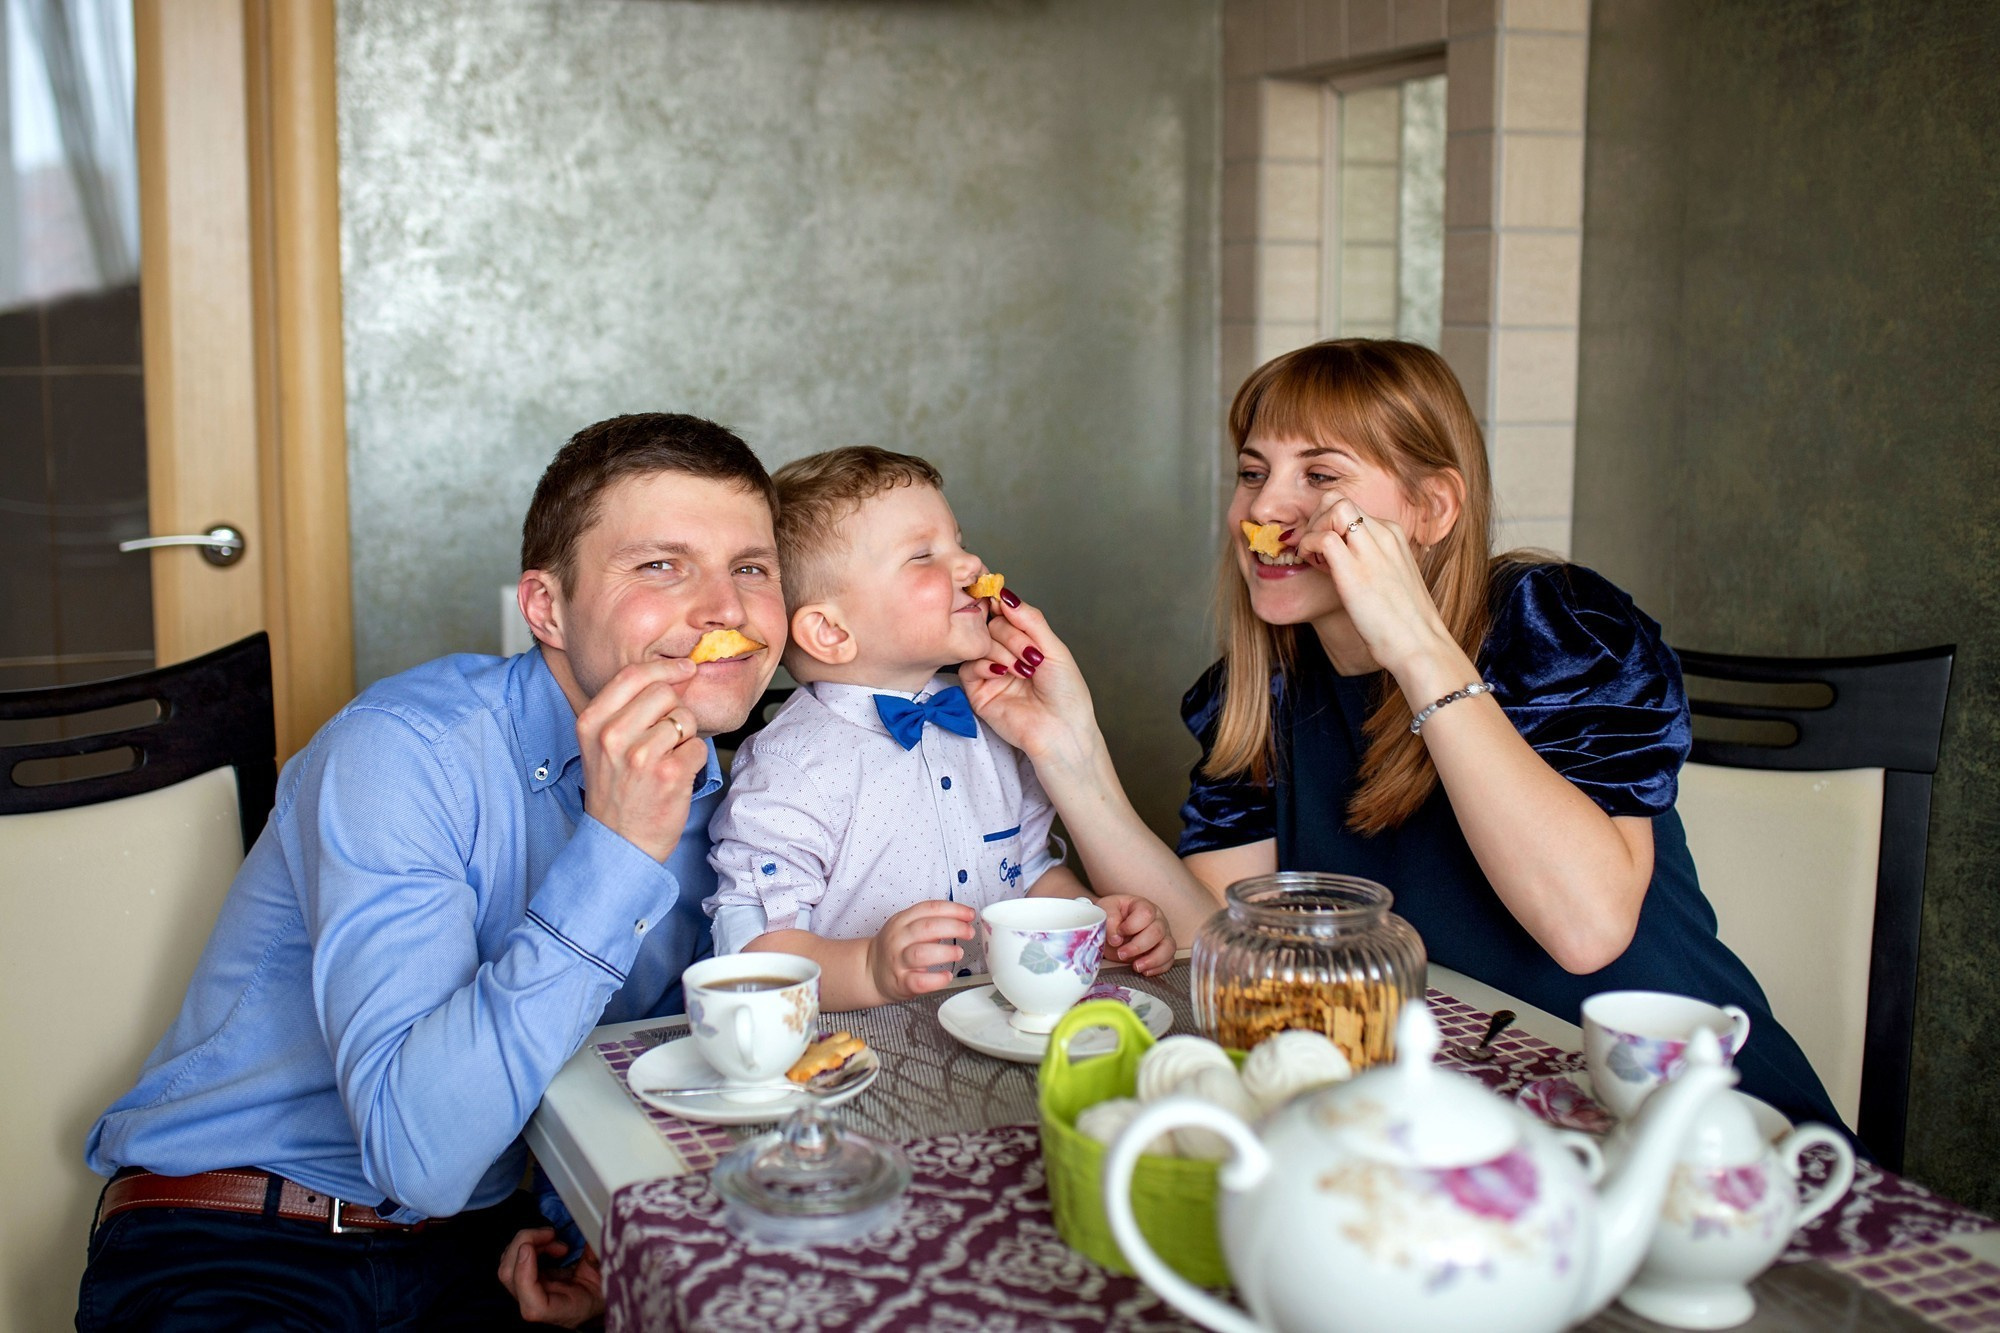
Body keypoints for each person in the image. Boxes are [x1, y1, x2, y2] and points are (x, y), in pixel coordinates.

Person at [958, 339, 1845, 1135]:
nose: (1266, 511)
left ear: (1431, 507)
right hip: (1464, 1124)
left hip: (1697, 1123)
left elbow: (1587, 929)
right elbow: (1210, 940)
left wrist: (1416, 647)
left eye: (1321, 475)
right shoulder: (1264, 691)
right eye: (1253, 473)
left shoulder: (1553, 630)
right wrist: (1068, 749)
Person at [77, 413, 787, 1330]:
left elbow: (629, 1066)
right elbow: (418, 1154)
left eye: (752, 568)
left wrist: (582, 1234)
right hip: (237, 1236)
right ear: (546, 608)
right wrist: (615, 849)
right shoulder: (403, 752)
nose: (726, 609)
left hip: (480, 1254)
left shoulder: (735, 796)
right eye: (661, 565)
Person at [705, 447, 1194, 1010]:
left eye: (960, 543)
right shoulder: (788, 767)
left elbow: (1028, 873)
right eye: (923, 555)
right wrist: (868, 967)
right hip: (860, 1049)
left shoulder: (993, 723)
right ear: (831, 632)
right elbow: (751, 954)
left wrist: (1090, 923)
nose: (972, 565)